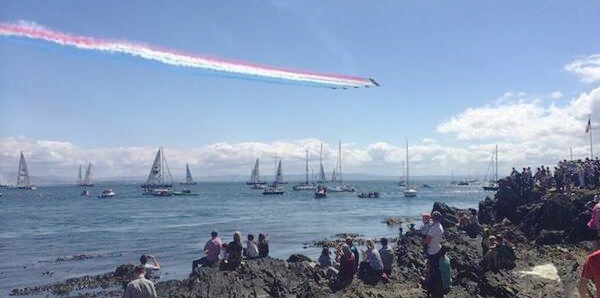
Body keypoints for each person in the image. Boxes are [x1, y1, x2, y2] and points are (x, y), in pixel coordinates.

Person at [423, 211, 445, 297]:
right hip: (437, 248)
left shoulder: (434, 228)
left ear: (433, 218)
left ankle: (433, 288)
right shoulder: (439, 226)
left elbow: (427, 241)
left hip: (432, 251)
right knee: (435, 269)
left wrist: (423, 242)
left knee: (433, 269)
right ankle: (436, 286)